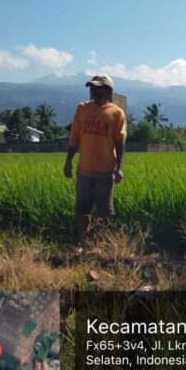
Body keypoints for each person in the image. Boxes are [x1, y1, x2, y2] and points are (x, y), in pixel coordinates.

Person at [63, 74, 126, 252]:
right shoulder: (82, 108)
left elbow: (120, 141)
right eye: (92, 88)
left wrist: (119, 168)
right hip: (84, 169)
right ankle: (83, 242)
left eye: (98, 88)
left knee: (105, 212)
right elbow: (74, 137)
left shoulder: (116, 113)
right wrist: (68, 162)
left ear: (108, 91)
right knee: (82, 209)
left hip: (105, 171)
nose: (93, 91)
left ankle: (101, 245)